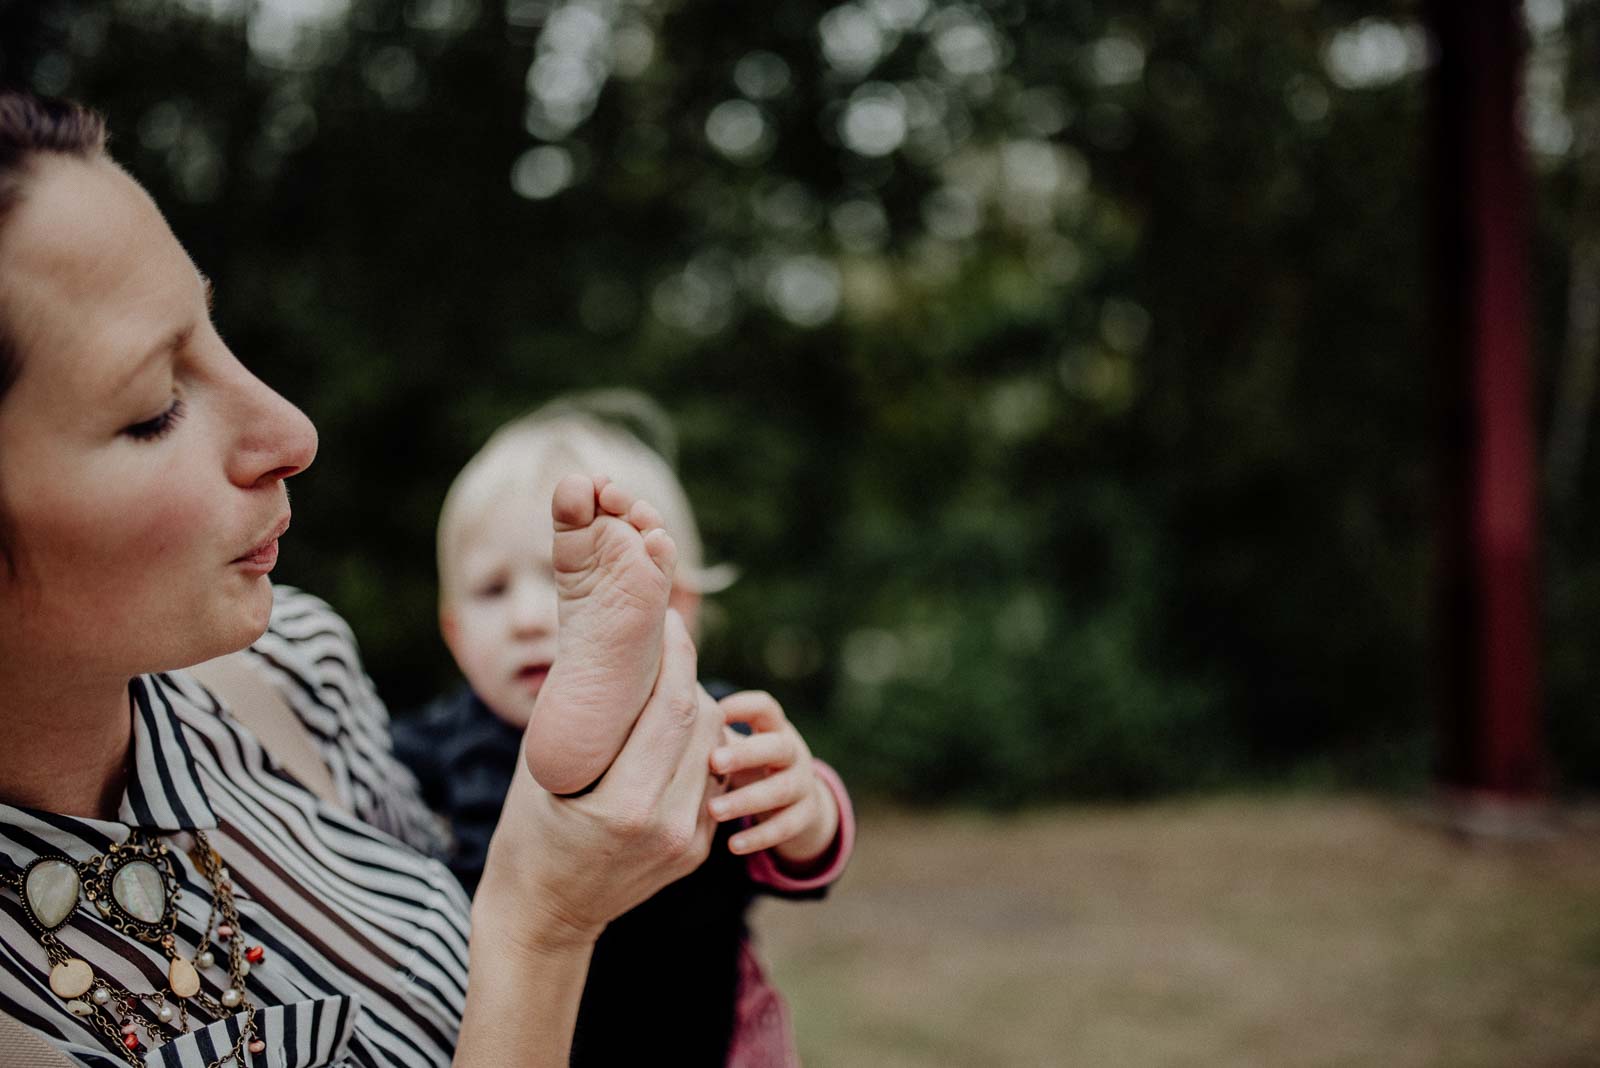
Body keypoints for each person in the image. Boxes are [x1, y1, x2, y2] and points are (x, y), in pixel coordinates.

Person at [0, 89, 729, 1066]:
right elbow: (511, 926)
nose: (293, 433)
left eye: (214, 336)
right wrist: (540, 927)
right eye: (155, 407)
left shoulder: (294, 662)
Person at [393, 396, 854, 1065]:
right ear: (454, 633)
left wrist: (805, 805)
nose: (526, 618)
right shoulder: (440, 740)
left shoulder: (714, 725)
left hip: (694, 1037)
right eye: (492, 590)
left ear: (679, 609)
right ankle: (575, 740)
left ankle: (610, 700)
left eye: (563, 585)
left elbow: (802, 858)